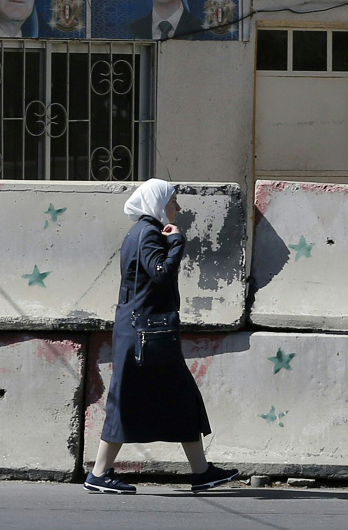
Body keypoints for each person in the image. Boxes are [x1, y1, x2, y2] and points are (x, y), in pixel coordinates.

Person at [84, 179, 239, 494]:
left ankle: (201, 471)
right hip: (146, 334)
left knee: (177, 398)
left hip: (142, 331)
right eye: (173, 202)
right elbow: (160, 273)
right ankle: (99, 474)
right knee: (129, 400)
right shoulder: (149, 233)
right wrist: (178, 242)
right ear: (157, 204)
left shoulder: (139, 232)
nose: (178, 209)